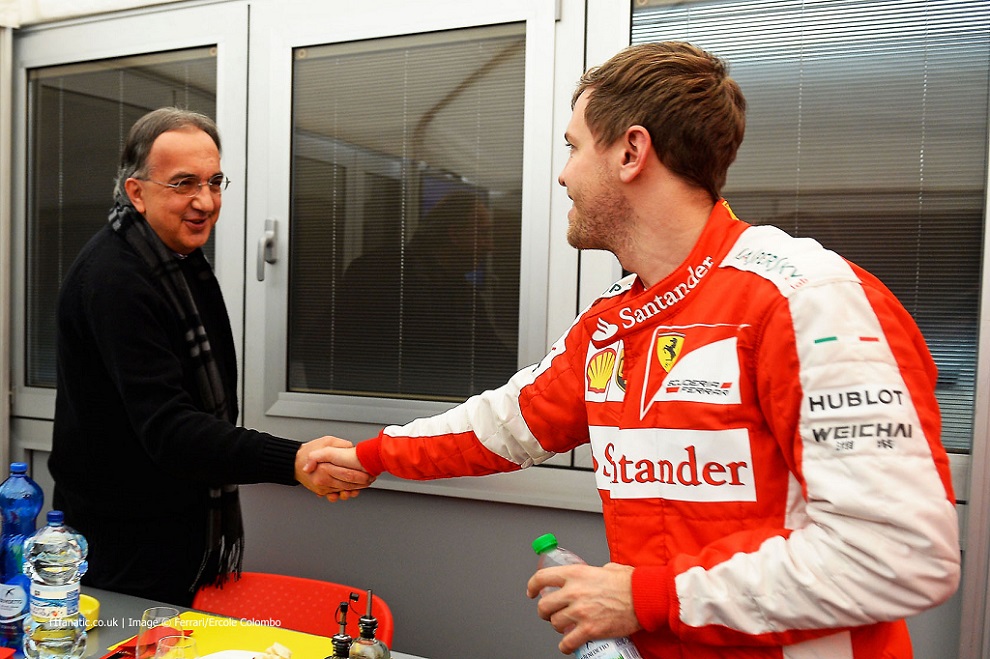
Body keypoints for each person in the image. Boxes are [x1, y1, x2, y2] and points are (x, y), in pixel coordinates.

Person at [306, 42, 960, 658]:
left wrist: (643, 596)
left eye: (572, 147)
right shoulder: (615, 320)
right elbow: (507, 424)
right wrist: (368, 455)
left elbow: (898, 554)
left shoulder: (805, 297)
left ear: (630, 152)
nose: (562, 175)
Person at [49, 107, 370, 606]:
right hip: (123, 547)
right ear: (136, 192)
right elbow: (171, 429)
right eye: (183, 184)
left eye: (214, 182)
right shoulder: (117, 279)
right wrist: (295, 460)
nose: (205, 201)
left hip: (178, 528)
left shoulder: (175, 262)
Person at [334, 189, 515, 398]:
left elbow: (490, 356)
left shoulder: (463, 293)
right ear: (455, 234)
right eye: (483, 233)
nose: (489, 246)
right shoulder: (382, 274)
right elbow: (327, 348)